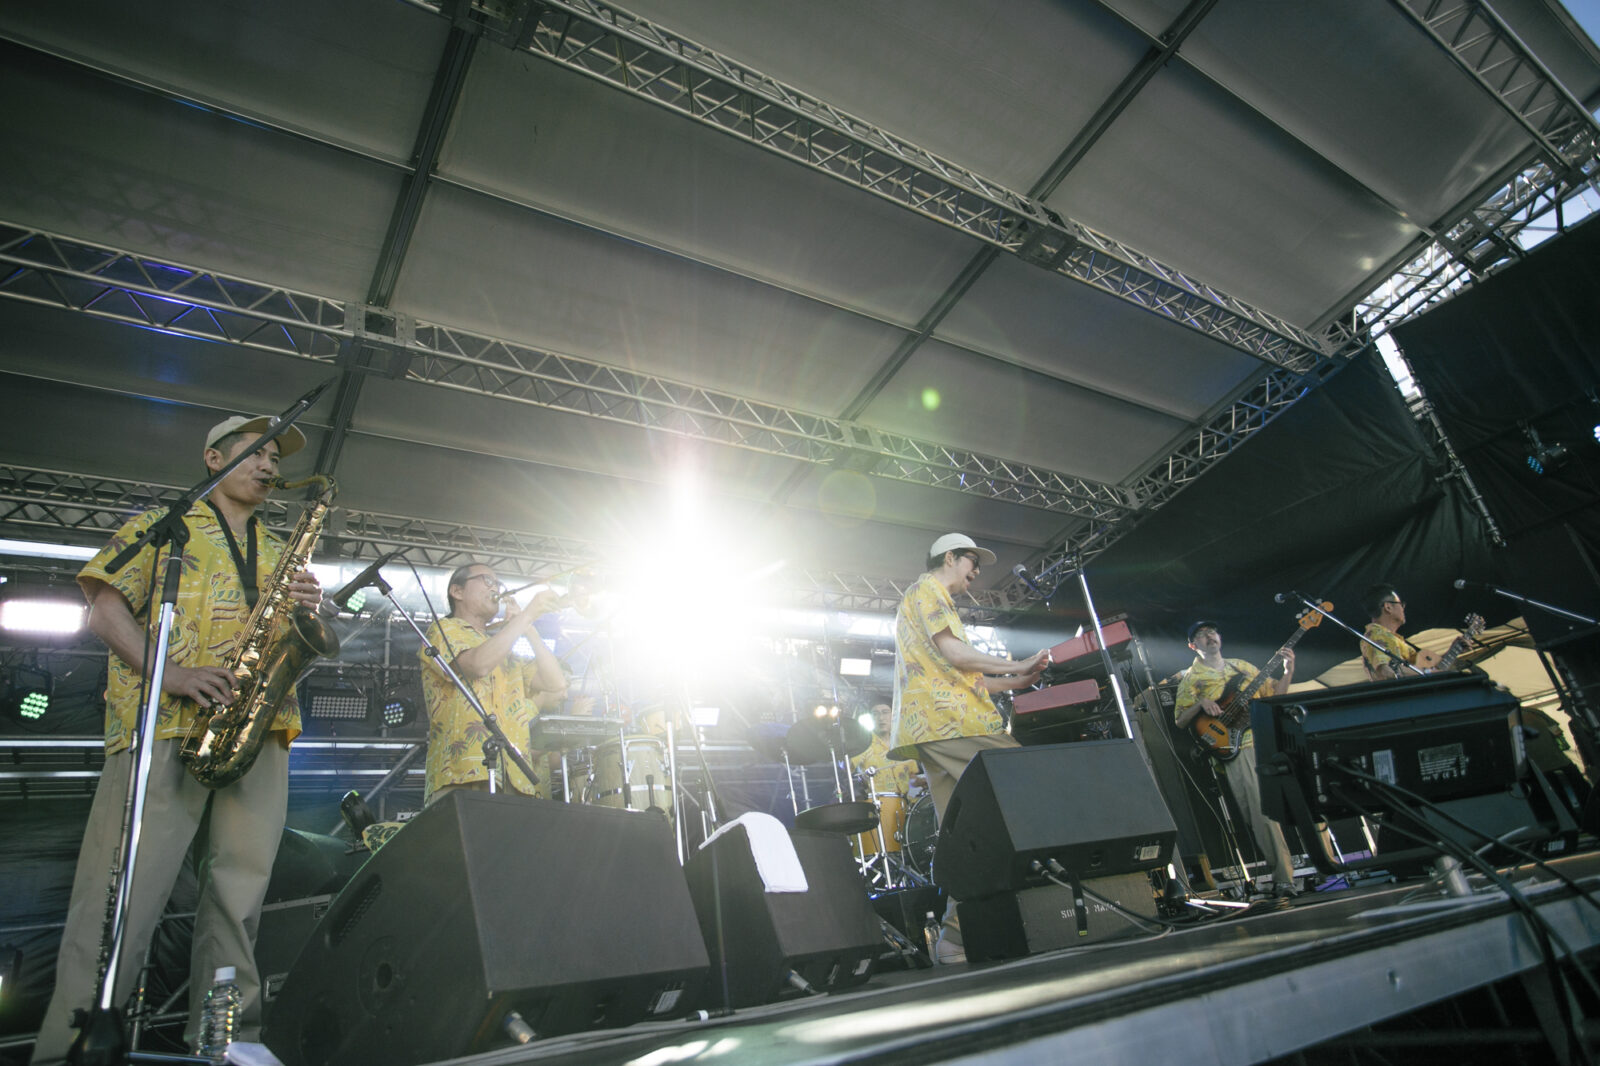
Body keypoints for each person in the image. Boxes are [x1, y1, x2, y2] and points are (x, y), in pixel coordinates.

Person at [31, 416, 323, 1064]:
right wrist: (174, 674)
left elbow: (293, 638)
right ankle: (73, 1046)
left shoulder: (282, 549)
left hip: (258, 730)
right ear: (212, 458)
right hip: (165, 723)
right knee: (120, 895)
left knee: (240, 899)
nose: (270, 465)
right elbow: (103, 608)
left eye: (276, 458)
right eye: (256, 452)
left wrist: (308, 608)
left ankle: (229, 1040)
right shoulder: (161, 527)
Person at [888, 533, 1048, 961]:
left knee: (966, 834)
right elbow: (957, 655)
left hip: (932, 729)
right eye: (971, 561)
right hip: (951, 721)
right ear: (950, 558)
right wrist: (1017, 663)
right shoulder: (929, 590)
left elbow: (962, 676)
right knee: (1024, 783)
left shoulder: (922, 598)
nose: (977, 571)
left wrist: (1017, 680)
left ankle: (954, 938)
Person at [419, 563, 566, 805]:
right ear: (457, 591)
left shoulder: (504, 651)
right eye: (487, 581)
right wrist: (527, 615)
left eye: (498, 583)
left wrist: (529, 629)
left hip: (516, 778)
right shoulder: (442, 630)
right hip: (463, 774)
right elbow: (478, 665)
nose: (496, 588)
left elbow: (556, 683)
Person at [1172, 620, 1298, 898]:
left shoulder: (1242, 667)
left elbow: (1275, 696)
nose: (1209, 636)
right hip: (1235, 748)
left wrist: (1288, 671)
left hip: (1264, 741)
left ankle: (1319, 869)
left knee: (1292, 805)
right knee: (1261, 815)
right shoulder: (1192, 678)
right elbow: (1180, 720)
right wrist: (1200, 704)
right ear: (1193, 645)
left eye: (1212, 632)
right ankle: (1284, 878)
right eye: (1201, 635)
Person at [854, 702, 918, 797]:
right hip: (878, 802)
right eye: (875, 714)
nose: (881, 718)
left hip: (906, 801)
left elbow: (911, 779)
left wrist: (923, 781)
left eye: (885, 712)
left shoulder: (903, 743)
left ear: (893, 716)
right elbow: (845, 767)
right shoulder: (863, 743)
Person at [1361, 584, 1422, 681]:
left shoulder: (1389, 637)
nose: (1403, 609)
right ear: (1388, 607)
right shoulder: (1376, 635)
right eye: (1401, 604)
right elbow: (1387, 672)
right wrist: (1429, 672)